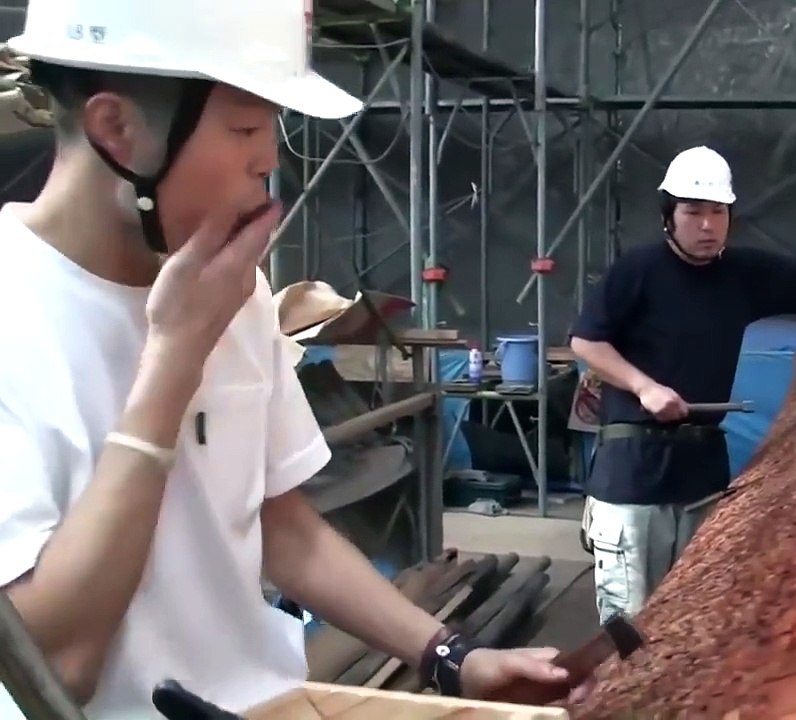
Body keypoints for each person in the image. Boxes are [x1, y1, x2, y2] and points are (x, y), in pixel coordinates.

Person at [0, 1, 589, 716]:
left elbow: (278, 523)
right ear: (116, 128)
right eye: (246, 126)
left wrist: (448, 657)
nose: (270, 158)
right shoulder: (16, 313)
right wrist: (172, 362)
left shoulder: (237, 292)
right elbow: (52, 666)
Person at [570, 146, 796, 622]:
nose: (706, 225)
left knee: (692, 623)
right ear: (669, 216)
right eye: (693, 212)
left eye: (717, 212)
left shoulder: (740, 275)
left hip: (701, 474)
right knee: (628, 627)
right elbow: (586, 341)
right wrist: (644, 387)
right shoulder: (636, 272)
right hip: (633, 476)